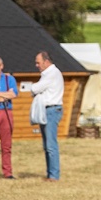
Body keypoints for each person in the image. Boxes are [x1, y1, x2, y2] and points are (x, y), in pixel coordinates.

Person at [30, 51, 65, 182]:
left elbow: (35, 89)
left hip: (51, 110)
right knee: (47, 145)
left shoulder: (51, 74)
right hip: (48, 110)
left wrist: (33, 88)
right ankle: (50, 173)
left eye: (38, 62)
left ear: (46, 61)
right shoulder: (48, 73)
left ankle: (54, 175)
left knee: (51, 144)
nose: (36, 65)